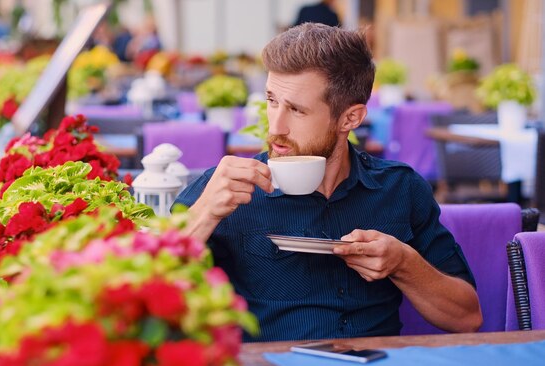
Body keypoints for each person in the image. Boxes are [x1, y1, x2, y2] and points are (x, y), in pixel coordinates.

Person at [174, 23, 482, 342]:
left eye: (296, 110)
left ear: (350, 118)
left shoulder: (400, 188)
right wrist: (203, 215)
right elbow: (144, 298)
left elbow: (467, 318)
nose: (275, 126)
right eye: (271, 100)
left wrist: (403, 263)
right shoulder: (225, 188)